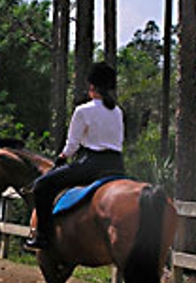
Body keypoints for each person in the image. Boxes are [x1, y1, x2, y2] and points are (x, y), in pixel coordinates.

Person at [25, 62, 125, 249]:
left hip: (92, 164)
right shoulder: (117, 111)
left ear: (92, 86)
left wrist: (62, 157)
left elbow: (72, 145)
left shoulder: (83, 110)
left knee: (41, 186)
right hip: (117, 164)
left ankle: (42, 235)